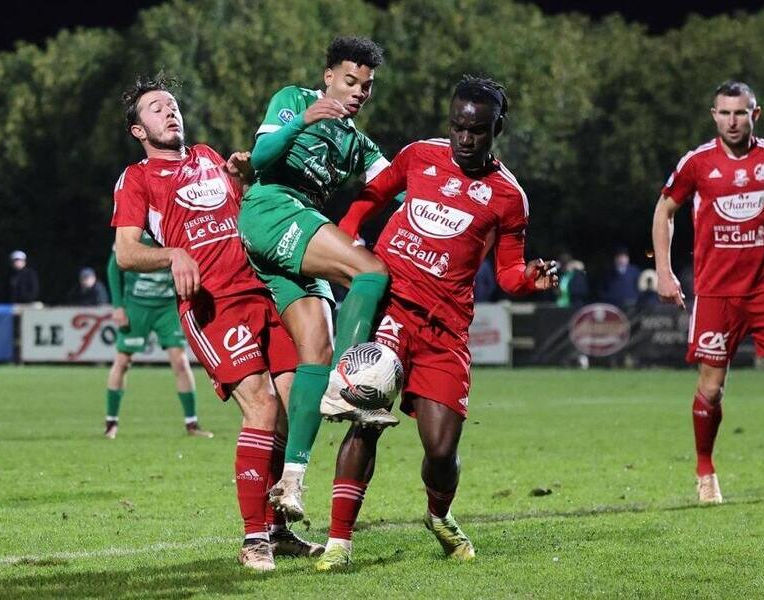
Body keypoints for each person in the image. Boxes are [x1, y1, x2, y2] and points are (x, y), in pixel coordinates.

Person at [319, 77, 558, 570]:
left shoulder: (508, 197)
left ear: (498, 129)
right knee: (365, 422)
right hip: (391, 312)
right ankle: (339, 542)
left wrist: (531, 281)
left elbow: (509, 272)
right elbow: (369, 197)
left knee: (441, 450)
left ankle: (438, 514)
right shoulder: (419, 156)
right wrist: (350, 245)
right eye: (457, 127)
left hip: (445, 331)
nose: (465, 139)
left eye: (477, 130)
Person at [110, 74, 323, 571]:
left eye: (172, 105)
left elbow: (248, 213)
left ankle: (278, 528)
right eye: (156, 108)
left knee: (292, 407)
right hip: (213, 305)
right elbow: (124, 252)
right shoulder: (138, 178)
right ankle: (254, 540)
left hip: (263, 293)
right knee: (263, 407)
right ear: (139, 130)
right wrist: (172, 256)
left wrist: (246, 178)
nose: (169, 112)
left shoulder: (208, 156)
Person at [652, 80, 764, 503]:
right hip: (717, 293)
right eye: (725, 113)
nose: (732, 121)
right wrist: (664, 271)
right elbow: (665, 209)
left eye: (741, 113)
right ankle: (705, 472)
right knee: (711, 388)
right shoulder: (697, 163)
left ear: (756, 114)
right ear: (713, 115)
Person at [237, 36, 395, 523]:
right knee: (370, 271)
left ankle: (291, 480)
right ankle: (352, 379)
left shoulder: (356, 143)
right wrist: (304, 121)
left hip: (297, 232)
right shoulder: (294, 100)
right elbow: (260, 158)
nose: (357, 92)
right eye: (350, 81)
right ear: (328, 77)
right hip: (271, 208)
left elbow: (396, 183)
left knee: (315, 352)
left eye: (366, 87)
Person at [104, 235, 212, 439]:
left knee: (180, 362)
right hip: (136, 305)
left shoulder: (173, 227)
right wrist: (118, 306)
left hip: (167, 307)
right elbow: (113, 267)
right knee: (123, 361)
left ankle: (192, 424)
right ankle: (111, 423)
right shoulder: (135, 230)